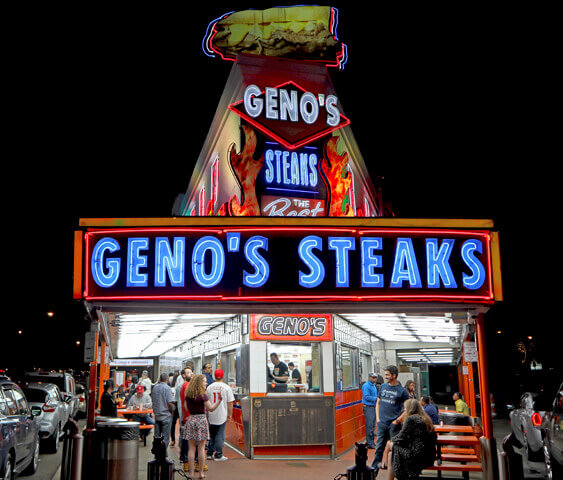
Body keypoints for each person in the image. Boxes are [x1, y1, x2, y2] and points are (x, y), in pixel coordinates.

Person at [379, 399, 437, 479]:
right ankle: (385, 465)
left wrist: (392, 439)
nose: (404, 410)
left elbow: (401, 437)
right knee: (390, 454)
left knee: (389, 444)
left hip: (416, 456)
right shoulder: (426, 418)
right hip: (429, 456)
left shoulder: (411, 419)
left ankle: (384, 464)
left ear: (410, 408)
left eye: (405, 408)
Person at [371, 365, 410, 474]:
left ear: (394, 375)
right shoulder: (383, 387)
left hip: (394, 426)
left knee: (395, 450)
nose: (386, 376)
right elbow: (378, 403)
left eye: (388, 374)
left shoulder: (402, 391)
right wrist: (378, 419)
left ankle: (396, 472)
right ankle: (374, 472)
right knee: (379, 448)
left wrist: (396, 421)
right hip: (382, 424)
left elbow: (407, 409)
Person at [183, 374, 222, 479]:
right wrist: (219, 401)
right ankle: (200, 473)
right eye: (204, 381)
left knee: (191, 448)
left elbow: (186, 407)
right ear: (199, 383)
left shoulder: (188, 394)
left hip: (191, 420)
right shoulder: (203, 395)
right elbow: (211, 408)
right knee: (201, 448)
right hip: (201, 420)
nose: (206, 383)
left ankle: (191, 473)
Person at [206, 369, 235, 461]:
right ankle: (219, 454)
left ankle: (209, 453)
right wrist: (230, 414)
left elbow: (206, 401)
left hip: (211, 413)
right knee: (220, 434)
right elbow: (230, 403)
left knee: (212, 434)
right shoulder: (226, 387)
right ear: (223, 376)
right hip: (222, 414)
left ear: (214, 376)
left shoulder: (209, 387)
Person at [152, 373, 175, 450]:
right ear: (167, 379)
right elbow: (170, 403)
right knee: (165, 438)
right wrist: (172, 411)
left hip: (157, 415)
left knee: (157, 437)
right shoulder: (167, 388)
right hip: (166, 416)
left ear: (159, 379)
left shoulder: (155, 388)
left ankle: (156, 455)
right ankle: (164, 455)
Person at [361, 373, 378, 449]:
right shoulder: (366, 386)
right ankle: (369, 443)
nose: (375, 379)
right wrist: (376, 399)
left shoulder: (373, 385)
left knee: (372, 425)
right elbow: (366, 397)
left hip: (373, 407)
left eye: (375, 378)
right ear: (369, 377)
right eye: (373, 377)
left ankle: (371, 442)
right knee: (369, 425)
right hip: (368, 407)